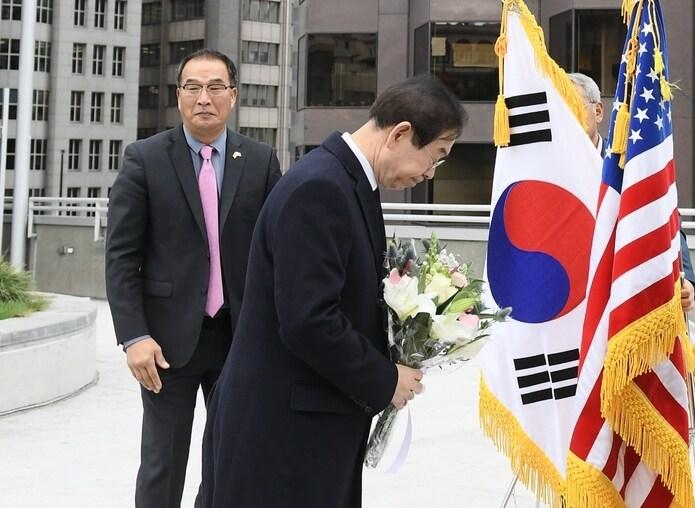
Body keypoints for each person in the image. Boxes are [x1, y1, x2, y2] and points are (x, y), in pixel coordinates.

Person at [203, 75, 463, 506]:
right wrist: (385, 379)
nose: (428, 174)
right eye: (434, 156)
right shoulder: (320, 188)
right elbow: (308, 320)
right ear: (400, 134)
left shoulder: (348, 182)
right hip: (281, 436)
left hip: (306, 425)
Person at [105, 49, 282, 508]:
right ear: (179, 95)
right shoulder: (145, 159)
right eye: (193, 87)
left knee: (233, 461)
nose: (205, 98)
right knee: (163, 464)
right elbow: (121, 257)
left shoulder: (260, 160)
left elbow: (276, 253)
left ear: (233, 96)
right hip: (165, 344)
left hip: (239, 337)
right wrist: (134, 336)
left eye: (216, 87)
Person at [568, 71, 695, 311]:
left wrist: (688, 281)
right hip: (569, 297)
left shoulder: (628, 165)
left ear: (598, 111)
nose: (567, 116)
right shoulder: (549, 174)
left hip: (622, 294)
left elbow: (665, 220)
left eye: (574, 105)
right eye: (559, 110)